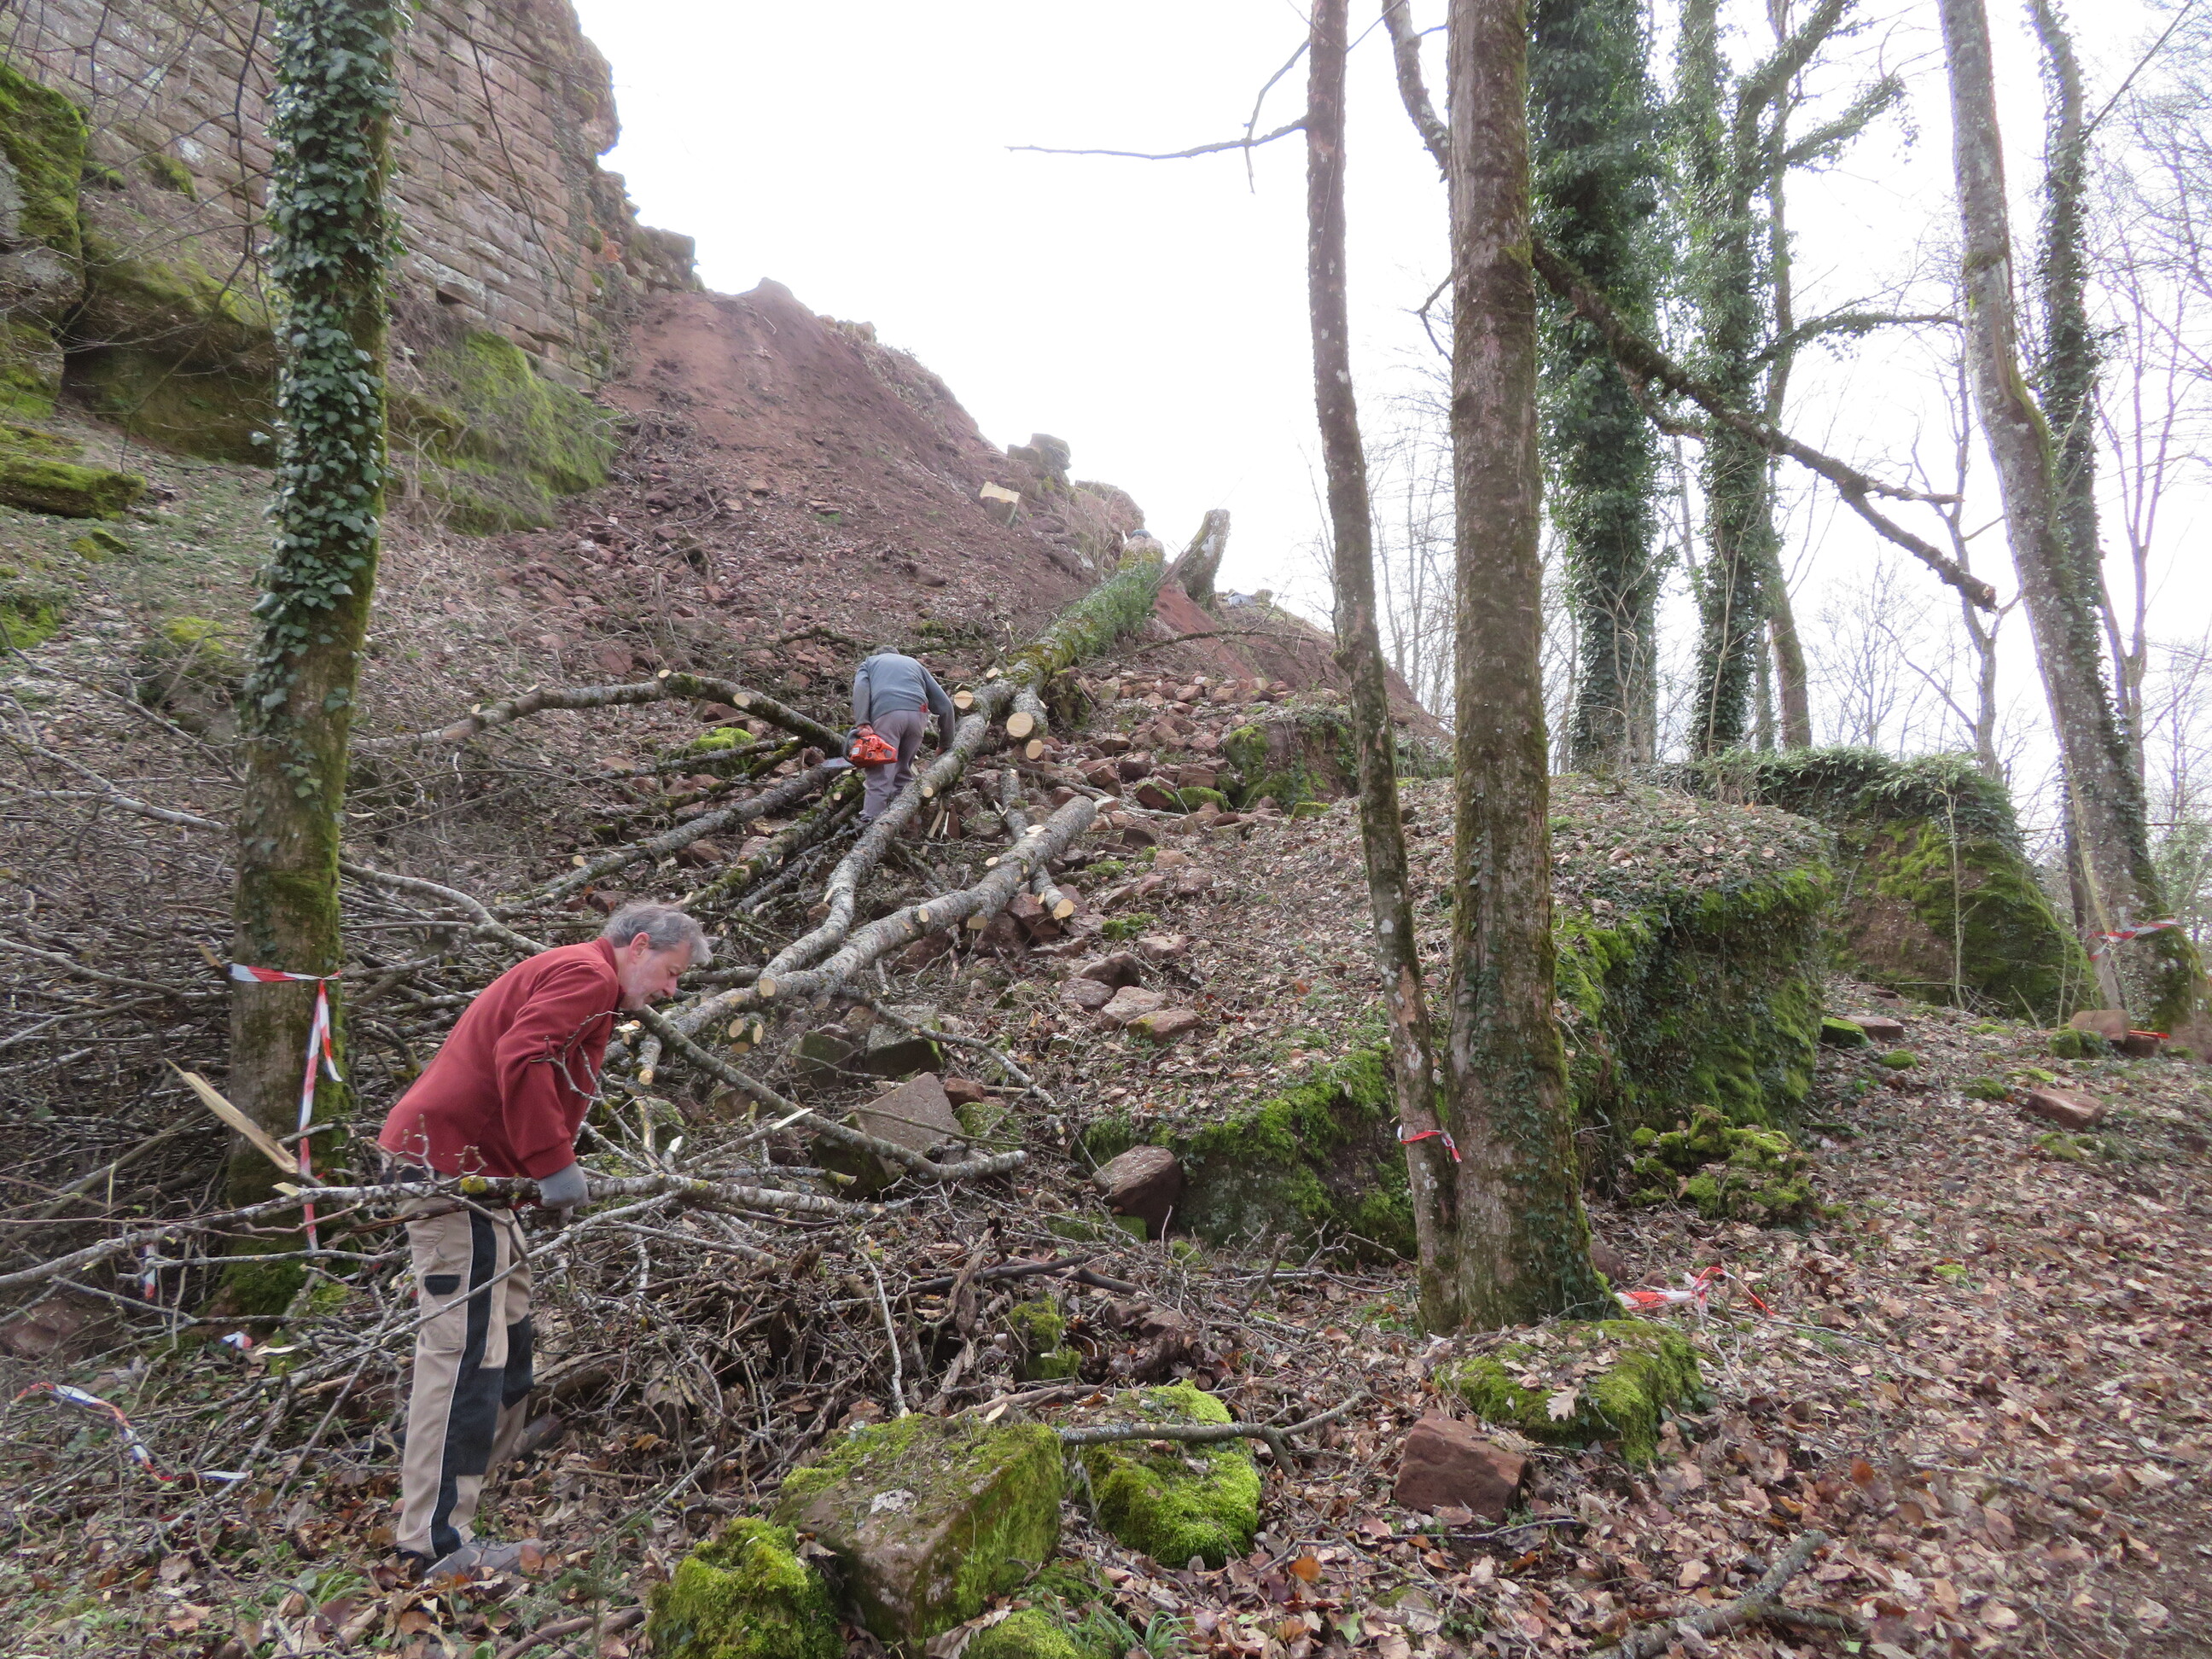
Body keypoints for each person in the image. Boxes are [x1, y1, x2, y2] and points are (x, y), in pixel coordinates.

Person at [376, 902, 710, 1580]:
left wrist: (536, 1176)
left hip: (482, 1177)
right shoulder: (587, 975)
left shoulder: (588, 983)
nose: (672, 990)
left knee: (510, 1328)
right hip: (450, 1171)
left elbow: (536, 1072)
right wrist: (554, 1162)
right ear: (639, 946)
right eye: (671, 973)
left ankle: (481, 1463)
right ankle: (434, 1543)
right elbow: (522, 1055)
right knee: (465, 1351)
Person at [852, 648, 958, 823]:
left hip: (887, 714)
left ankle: (870, 825)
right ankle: (905, 825)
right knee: (902, 772)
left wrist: (862, 722)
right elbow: (946, 705)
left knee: (880, 774)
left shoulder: (869, 662)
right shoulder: (914, 664)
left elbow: (861, 689)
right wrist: (946, 743)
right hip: (918, 716)